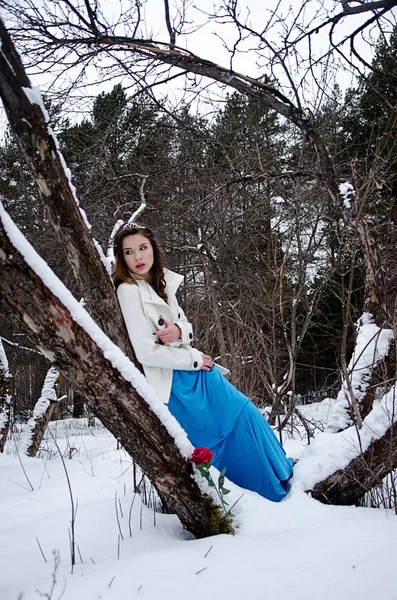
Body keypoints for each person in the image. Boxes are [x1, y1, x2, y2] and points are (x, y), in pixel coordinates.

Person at [113, 225, 293, 502]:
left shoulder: (161, 285)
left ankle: (280, 477)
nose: (137, 256)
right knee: (218, 440)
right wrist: (194, 359)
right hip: (176, 383)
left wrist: (179, 331)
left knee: (247, 417)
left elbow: (184, 325)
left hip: (198, 375)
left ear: (153, 249)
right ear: (121, 258)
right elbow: (146, 353)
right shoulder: (129, 290)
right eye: (128, 252)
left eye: (142, 247)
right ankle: (259, 496)